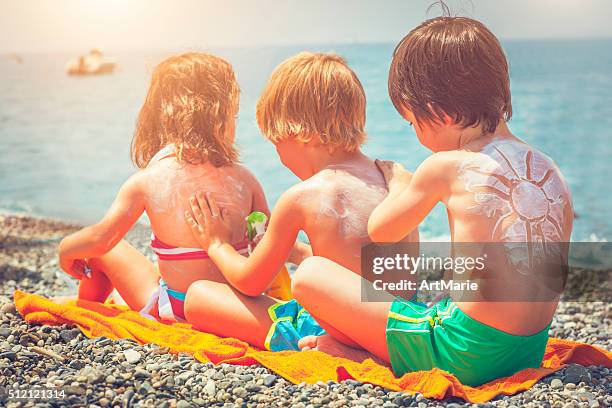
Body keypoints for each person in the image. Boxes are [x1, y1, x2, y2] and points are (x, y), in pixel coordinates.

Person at [292, 17, 574, 386]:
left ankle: (364, 354)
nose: (417, 136)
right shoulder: (548, 169)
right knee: (445, 299)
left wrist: (399, 180)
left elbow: (381, 230)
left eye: (412, 123)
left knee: (312, 275)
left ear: (437, 112)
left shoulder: (444, 166)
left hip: (463, 356)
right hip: (527, 349)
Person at [183, 52, 418, 351]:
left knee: (199, 296)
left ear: (302, 133)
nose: (279, 156)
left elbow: (250, 281)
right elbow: (360, 268)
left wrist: (217, 244)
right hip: (403, 327)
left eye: (277, 143)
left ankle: (322, 346)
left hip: (348, 332)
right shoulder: (390, 177)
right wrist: (296, 252)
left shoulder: (302, 197)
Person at [57, 52, 298, 321]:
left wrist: (66, 249)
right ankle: (93, 307)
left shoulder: (147, 181)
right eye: (233, 117)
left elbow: (101, 240)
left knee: (103, 253)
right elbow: (263, 240)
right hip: (235, 307)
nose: (234, 126)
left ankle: (87, 310)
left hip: (177, 308)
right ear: (217, 119)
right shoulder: (245, 180)